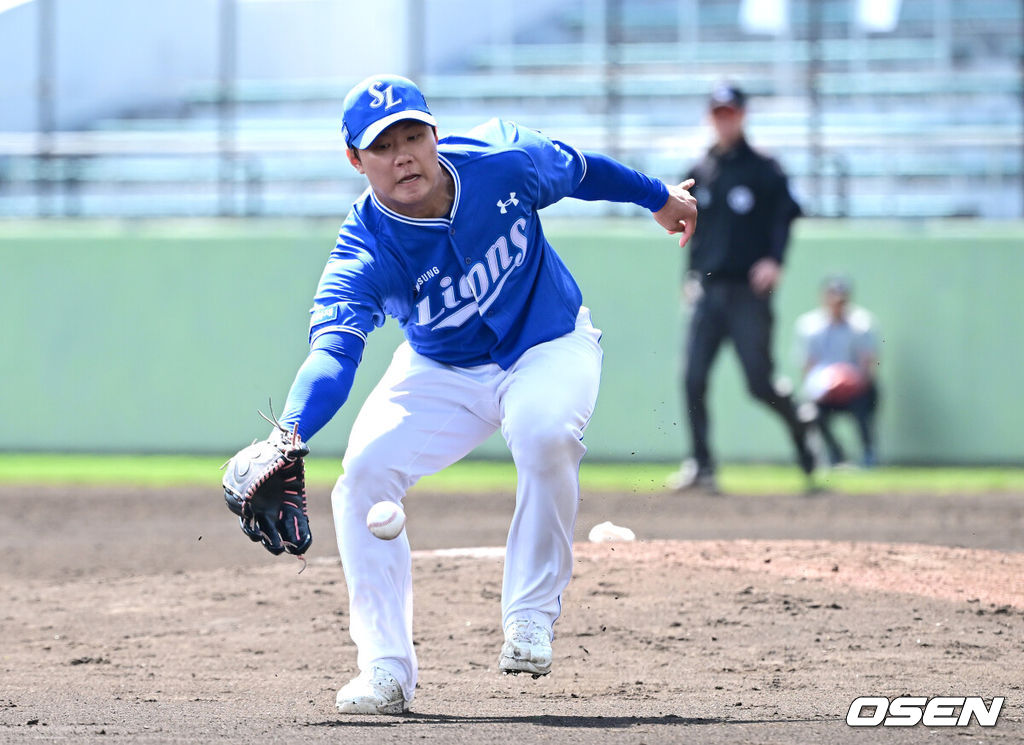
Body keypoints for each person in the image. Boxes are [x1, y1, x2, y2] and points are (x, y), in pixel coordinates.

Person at [232, 74, 697, 715]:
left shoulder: (502, 161)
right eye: (382, 145)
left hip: (548, 342)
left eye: (412, 135)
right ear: (354, 160)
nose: (403, 155)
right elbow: (335, 352)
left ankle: (531, 616)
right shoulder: (364, 249)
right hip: (441, 371)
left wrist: (658, 197)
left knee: (544, 433)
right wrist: (289, 433)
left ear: (434, 132)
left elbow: (582, 169)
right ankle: (386, 670)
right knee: (363, 476)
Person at [669, 82, 813, 494]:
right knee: (692, 376)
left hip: (748, 293)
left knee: (759, 384)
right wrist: (690, 275)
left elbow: (786, 216)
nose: (723, 120)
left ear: (742, 115)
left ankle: (801, 425)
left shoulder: (765, 168)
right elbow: (690, 231)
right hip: (707, 290)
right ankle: (702, 463)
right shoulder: (700, 170)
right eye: (717, 113)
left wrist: (775, 260)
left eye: (729, 112)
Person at [795, 275, 880, 467]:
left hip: (856, 388)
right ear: (823, 297)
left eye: (841, 298)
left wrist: (850, 380)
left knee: (869, 399)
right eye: (832, 296)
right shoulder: (809, 326)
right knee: (810, 409)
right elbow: (808, 367)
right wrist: (826, 384)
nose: (836, 303)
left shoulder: (862, 324)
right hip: (824, 390)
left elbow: (868, 363)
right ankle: (835, 454)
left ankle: (869, 452)